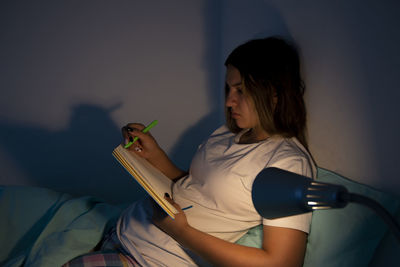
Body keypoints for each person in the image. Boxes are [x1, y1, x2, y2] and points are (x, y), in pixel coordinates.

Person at [65, 36, 316, 267]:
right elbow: (194, 187)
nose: (229, 101)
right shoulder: (228, 134)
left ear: (273, 93)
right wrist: (154, 155)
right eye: (229, 89)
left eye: (241, 90)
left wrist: (181, 232)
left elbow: (282, 262)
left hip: (149, 259)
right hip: (123, 231)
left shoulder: (287, 163)